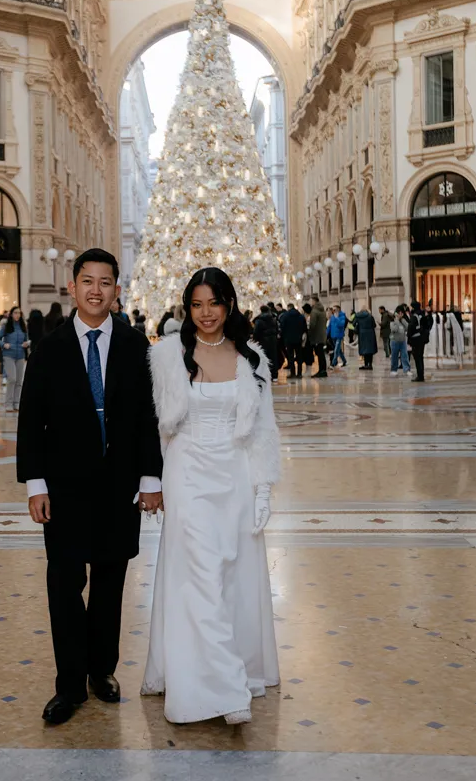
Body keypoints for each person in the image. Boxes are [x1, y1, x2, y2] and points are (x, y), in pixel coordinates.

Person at [17, 248, 163, 726]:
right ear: (73, 286)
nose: (96, 289)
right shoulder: (50, 348)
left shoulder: (134, 345)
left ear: (116, 290)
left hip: (117, 488)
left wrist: (150, 478)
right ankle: (69, 685)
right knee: (64, 585)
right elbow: (30, 420)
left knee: (109, 585)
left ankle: (102, 671)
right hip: (63, 490)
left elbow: (147, 418)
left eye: (105, 282)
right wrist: (36, 484)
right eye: (88, 281)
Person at [142, 267, 280, 725]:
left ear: (229, 305)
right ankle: (222, 688)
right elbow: (158, 430)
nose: (206, 314)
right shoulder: (166, 356)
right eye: (197, 305)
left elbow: (263, 430)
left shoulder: (252, 359)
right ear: (188, 307)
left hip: (236, 474)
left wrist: (262, 489)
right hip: (188, 474)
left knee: (232, 573)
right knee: (199, 573)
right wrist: (153, 482)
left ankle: (228, 664)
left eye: (214, 304)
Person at [0, 306, 30, 411]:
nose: (17, 315)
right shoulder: (6, 326)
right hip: (8, 355)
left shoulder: (24, 327)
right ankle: (8, 403)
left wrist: (27, 343)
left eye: (19, 313)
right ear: (11, 314)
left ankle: (17, 403)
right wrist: (3, 344)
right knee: (12, 379)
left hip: (20, 356)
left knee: (19, 381)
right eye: (15, 313)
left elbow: (28, 339)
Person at [278, 302, 306, 379]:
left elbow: (282, 327)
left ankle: (292, 373)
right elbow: (304, 328)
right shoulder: (300, 316)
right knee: (299, 356)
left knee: (290, 357)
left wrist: (282, 336)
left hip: (288, 339)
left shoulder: (285, 316)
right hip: (298, 339)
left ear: (288, 308)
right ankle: (299, 373)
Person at [253, 304, 278, 383]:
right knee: (273, 358)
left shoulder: (259, 320)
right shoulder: (273, 318)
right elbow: (277, 329)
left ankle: (264, 375)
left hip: (263, 341)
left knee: (263, 358)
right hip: (273, 341)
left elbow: (256, 332)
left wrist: (255, 339)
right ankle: (274, 376)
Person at [408, 300, 430, 382]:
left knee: (417, 358)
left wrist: (409, 338)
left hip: (416, 339)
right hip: (422, 338)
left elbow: (411, 328)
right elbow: (428, 325)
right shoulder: (423, 314)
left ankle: (420, 376)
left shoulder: (415, 316)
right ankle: (421, 375)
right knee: (420, 357)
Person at [308, 295, 328, 377]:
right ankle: (323, 370)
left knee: (319, 354)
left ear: (314, 301)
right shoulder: (322, 310)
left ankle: (321, 371)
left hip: (316, 336)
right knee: (321, 354)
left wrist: (309, 333)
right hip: (322, 335)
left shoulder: (314, 311)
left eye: (311, 301)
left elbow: (312, 325)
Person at [355, 305, 377, 370]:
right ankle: (370, 364)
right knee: (370, 350)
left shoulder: (358, 316)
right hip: (370, 334)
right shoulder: (370, 316)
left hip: (362, 334)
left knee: (364, 349)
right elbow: (374, 325)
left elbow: (354, 324)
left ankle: (365, 364)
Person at [389, 307, 410, 376]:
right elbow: (394, 329)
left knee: (404, 356)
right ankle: (393, 370)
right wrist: (397, 320)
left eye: (402, 313)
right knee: (394, 356)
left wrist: (402, 320)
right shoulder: (392, 322)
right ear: (396, 313)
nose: (400, 314)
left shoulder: (403, 321)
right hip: (395, 341)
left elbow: (407, 327)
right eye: (399, 313)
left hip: (403, 341)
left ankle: (407, 370)